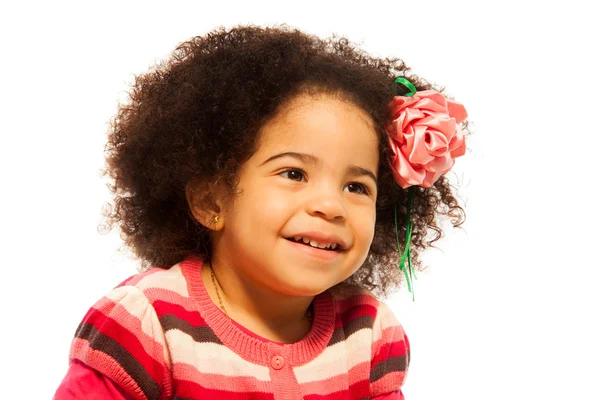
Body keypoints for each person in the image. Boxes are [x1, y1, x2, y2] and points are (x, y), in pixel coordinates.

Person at [53, 24, 468, 400]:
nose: (330, 205)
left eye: (356, 186)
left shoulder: (368, 334)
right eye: (294, 173)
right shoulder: (146, 325)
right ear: (211, 201)